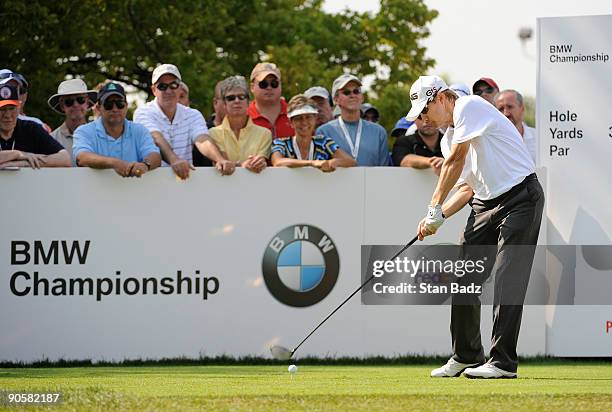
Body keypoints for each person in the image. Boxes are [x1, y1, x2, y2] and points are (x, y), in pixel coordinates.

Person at [407, 75, 544, 379]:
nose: (424, 119)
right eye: (419, 116)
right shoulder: (453, 134)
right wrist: (439, 217)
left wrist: (432, 207)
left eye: (425, 110)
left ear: (442, 98)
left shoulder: (469, 106)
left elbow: (454, 161)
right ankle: (467, 354)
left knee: (508, 279)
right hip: (484, 203)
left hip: (521, 197)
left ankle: (502, 363)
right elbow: (466, 187)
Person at [134, 64, 232, 179]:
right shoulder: (143, 112)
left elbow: (202, 139)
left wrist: (219, 159)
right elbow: (156, 138)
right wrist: (174, 160)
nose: (168, 90)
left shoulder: (193, 114)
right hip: (152, 182)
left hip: (184, 181)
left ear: (180, 88)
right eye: (162, 86)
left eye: (173, 85)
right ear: (154, 90)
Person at [73, 82, 161, 177]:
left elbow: (154, 155)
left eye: (120, 104)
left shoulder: (140, 130)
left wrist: (145, 165)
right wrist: (115, 163)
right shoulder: (84, 131)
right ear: (98, 108)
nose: (115, 109)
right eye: (108, 104)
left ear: (126, 106)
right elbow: (82, 157)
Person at [316, 74, 389, 166]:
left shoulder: (378, 132)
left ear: (362, 97)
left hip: (373, 180)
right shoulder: (324, 132)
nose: (352, 95)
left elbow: (385, 171)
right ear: (336, 99)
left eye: (356, 91)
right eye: (346, 92)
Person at [204, 76, 271, 174]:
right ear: (224, 104)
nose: (237, 101)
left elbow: (259, 163)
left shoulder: (265, 134)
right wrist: (244, 165)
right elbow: (224, 164)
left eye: (242, 97)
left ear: (249, 102)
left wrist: (259, 163)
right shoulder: (212, 133)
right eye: (231, 98)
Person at [271, 95, 356, 172]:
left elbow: (351, 162)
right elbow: (277, 162)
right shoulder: (281, 143)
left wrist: (334, 162)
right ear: (291, 122)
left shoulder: (323, 142)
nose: (304, 122)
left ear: (315, 119)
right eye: (298, 118)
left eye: (308, 117)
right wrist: (312, 163)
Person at [0, 84, 71, 168]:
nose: (7, 115)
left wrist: (25, 163)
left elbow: (65, 159)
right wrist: (17, 154)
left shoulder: (31, 128)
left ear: (19, 107)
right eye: (1, 109)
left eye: (12, 108)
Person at [47, 79, 97, 157]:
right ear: (62, 106)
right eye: (69, 101)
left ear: (87, 102)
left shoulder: (100, 136)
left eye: (80, 100)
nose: (76, 105)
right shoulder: (52, 140)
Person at [247, 62, 294, 139]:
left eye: (274, 83)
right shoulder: (243, 118)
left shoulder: (295, 114)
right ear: (252, 87)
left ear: (280, 85)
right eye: (263, 84)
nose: (269, 87)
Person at [495, 89, 536, 163]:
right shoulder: (492, 142)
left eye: (510, 107)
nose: (506, 113)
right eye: (501, 109)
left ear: (522, 109)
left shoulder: (538, 138)